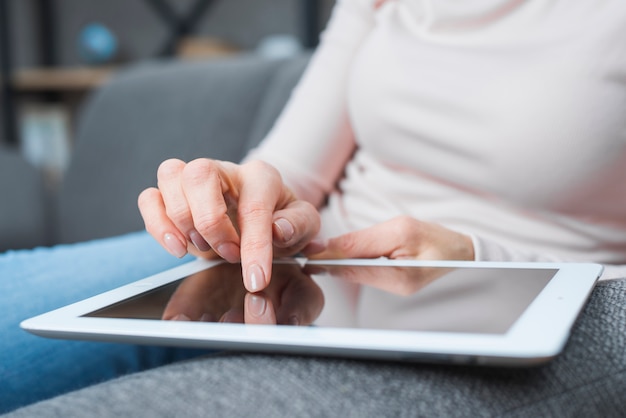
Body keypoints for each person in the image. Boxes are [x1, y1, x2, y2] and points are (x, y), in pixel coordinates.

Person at [2, 0, 625, 413]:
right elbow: (292, 167)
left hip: (510, 304)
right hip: (287, 269)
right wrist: (246, 196)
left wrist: (483, 259)